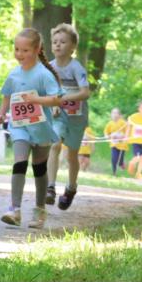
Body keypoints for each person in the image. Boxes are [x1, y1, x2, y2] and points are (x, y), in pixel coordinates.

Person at [0, 28, 62, 228]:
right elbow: (7, 95)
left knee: (39, 169)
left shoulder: (43, 74)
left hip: (40, 129)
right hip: (19, 126)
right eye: (17, 49)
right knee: (19, 162)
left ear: (37, 49)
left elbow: (57, 99)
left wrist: (36, 99)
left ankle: (40, 210)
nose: (20, 54)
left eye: (25, 50)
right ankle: (14, 209)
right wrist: (1, 113)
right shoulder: (14, 74)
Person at [45, 23, 91, 210]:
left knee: (72, 155)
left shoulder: (76, 68)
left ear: (72, 47)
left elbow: (85, 93)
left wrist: (64, 99)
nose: (57, 45)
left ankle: (71, 188)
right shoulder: (50, 66)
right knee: (54, 144)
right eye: (55, 42)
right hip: (59, 114)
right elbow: (49, 90)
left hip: (77, 116)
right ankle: (50, 187)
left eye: (63, 42)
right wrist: (54, 102)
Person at [103, 108, 129, 177]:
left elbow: (127, 131)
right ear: (111, 115)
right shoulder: (110, 124)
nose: (114, 115)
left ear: (119, 115)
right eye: (113, 113)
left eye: (116, 113)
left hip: (122, 145)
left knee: (120, 161)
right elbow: (106, 132)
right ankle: (114, 173)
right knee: (114, 159)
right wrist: (106, 136)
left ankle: (122, 164)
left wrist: (124, 137)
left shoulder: (123, 122)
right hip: (113, 144)